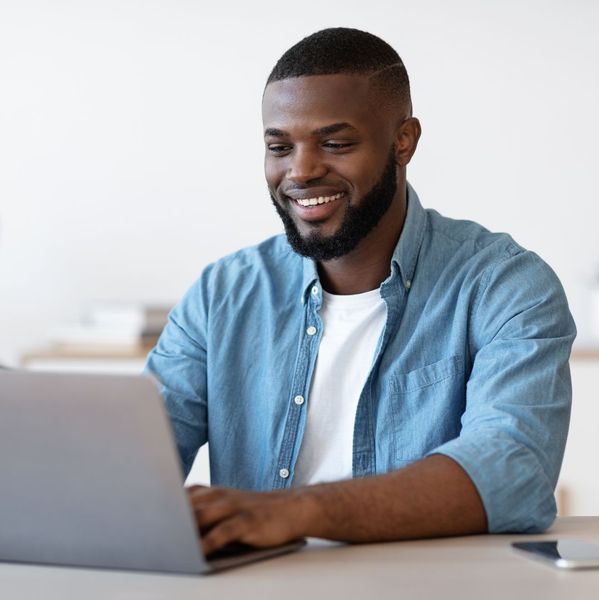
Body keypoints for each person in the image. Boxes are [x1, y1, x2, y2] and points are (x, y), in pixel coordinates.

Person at [145, 28, 576, 555]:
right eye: (280, 147)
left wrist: (295, 511)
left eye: (335, 143)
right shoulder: (222, 294)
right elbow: (135, 465)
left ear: (404, 141)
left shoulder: (505, 285)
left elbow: (513, 473)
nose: (300, 170)